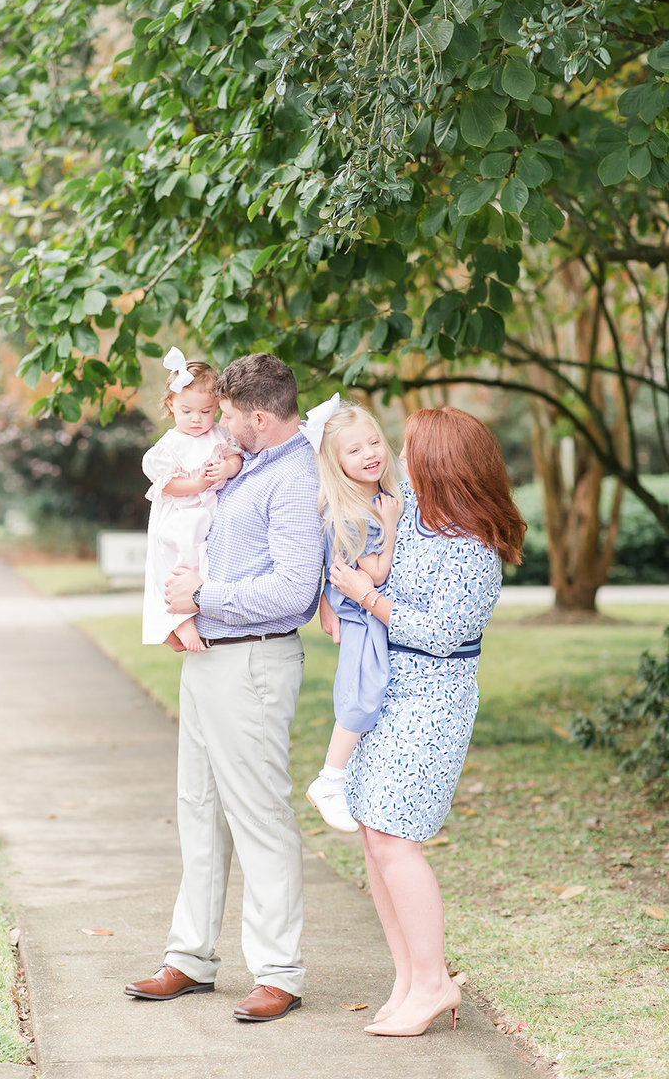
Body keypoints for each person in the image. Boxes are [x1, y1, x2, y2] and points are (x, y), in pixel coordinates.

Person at [125, 353, 324, 1023]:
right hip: (208, 657)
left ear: (260, 418)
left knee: (259, 816)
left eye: (231, 416)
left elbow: (296, 589)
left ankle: (279, 972)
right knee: (199, 809)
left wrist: (206, 592)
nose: (220, 425)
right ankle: (190, 957)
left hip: (254, 664)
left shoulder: (293, 477)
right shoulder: (247, 461)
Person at [327, 407, 526, 1038]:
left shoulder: (473, 550)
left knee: (395, 840)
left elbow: (444, 635)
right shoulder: (412, 512)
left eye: (413, 453)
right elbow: (348, 485)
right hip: (390, 692)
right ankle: (410, 977)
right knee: (372, 833)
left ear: (442, 466)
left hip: (432, 701)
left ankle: (434, 981)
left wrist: (367, 598)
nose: (401, 462)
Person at [303, 399, 402, 834]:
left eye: (374, 442)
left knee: (369, 689)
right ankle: (330, 779)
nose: (370, 454)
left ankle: (343, 774)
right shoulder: (359, 513)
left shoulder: (364, 500)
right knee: (363, 692)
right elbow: (374, 573)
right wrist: (392, 526)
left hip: (357, 613)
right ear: (335, 462)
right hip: (361, 616)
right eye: (354, 450)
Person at [141, 347, 242, 653]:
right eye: (187, 412)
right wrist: (197, 484)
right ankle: (181, 623)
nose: (197, 420)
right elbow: (166, 484)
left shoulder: (219, 435)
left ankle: (195, 616)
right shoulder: (170, 445)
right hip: (180, 515)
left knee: (204, 563)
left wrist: (226, 468)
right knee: (176, 562)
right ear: (171, 405)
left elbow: (236, 459)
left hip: (209, 513)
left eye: (206, 411)